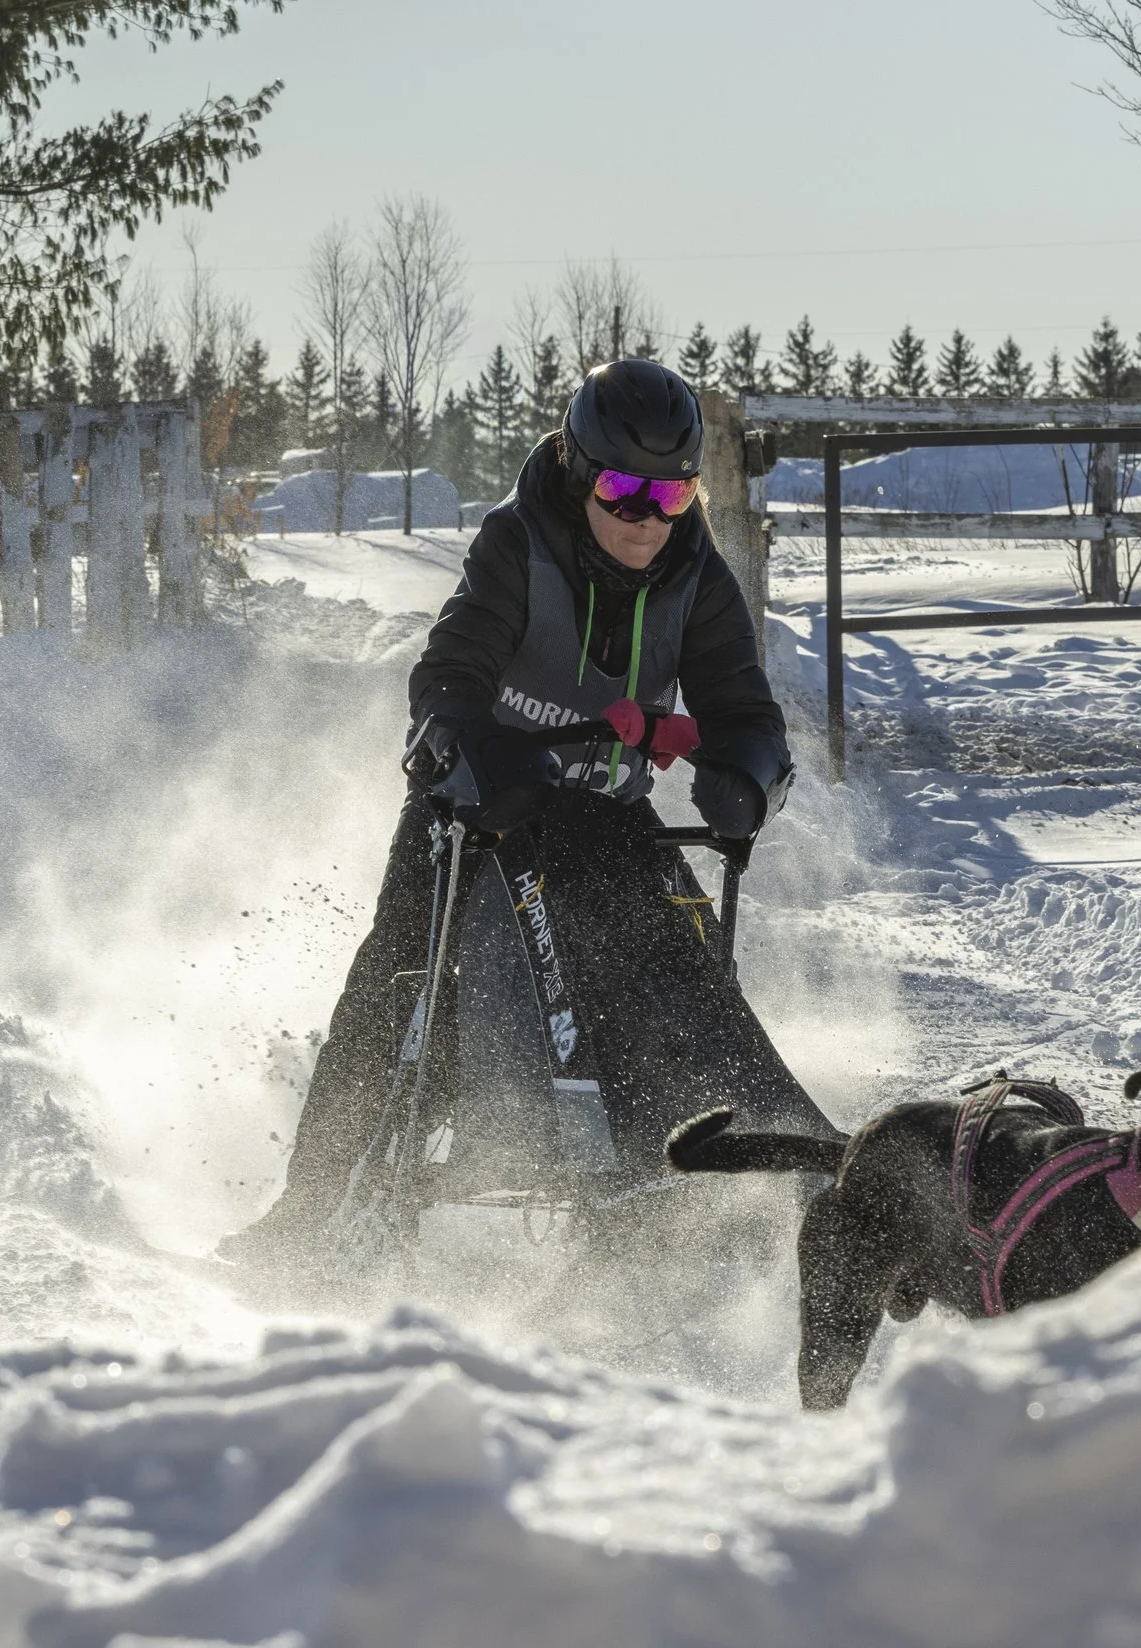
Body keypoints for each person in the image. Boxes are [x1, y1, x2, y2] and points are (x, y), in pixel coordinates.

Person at [224, 359, 837, 1268]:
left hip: (605, 818)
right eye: (625, 489)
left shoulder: (697, 576)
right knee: (400, 970)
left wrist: (746, 775)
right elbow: (445, 678)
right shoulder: (518, 543)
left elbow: (746, 709)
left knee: (678, 966)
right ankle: (307, 1209)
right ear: (582, 472)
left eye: (672, 494)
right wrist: (478, 750)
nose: (648, 517)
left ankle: (732, 1182)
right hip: (476, 804)